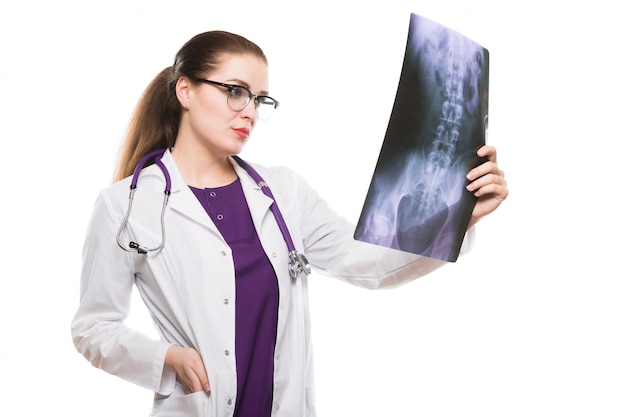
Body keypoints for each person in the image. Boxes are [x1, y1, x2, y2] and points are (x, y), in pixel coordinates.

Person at [71, 30, 508, 417]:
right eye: (235, 91)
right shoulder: (125, 205)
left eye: (259, 99)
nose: (250, 112)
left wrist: (458, 217)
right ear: (185, 90)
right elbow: (94, 328)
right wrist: (165, 358)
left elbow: (367, 263)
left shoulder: (282, 191)